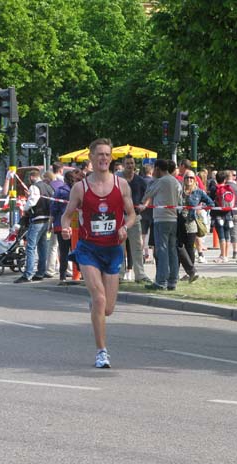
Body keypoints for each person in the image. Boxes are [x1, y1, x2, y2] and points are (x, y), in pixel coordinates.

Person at [60, 138, 136, 369]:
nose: (104, 158)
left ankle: (96, 309)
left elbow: (131, 214)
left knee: (108, 308)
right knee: (100, 298)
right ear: (91, 158)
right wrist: (65, 227)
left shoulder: (121, 185)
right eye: (99, 154)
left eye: (107, 154)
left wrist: (125, 227)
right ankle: (101, 352)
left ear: (111, 158)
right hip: (88, 249)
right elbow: (67, 214)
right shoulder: (79, 188)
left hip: (113, 249)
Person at [140, 159, 182, 290]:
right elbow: (180, 199)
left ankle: (161, 281)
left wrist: (151, 183)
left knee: (161, 250)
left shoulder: (160, 181)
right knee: (172, 249)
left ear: (158, 169)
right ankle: (173, 280)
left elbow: (147, 195)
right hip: (173, 218)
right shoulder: (176, 181)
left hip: (161, 218)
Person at [14, 169, 55, 283]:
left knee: (30, 247)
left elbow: (32, 201)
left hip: (37, 219)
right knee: (42, 247)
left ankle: (28, 274)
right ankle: (40, 272)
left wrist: (25, 207)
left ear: (32, 177)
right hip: (47, 219)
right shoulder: (49, 187)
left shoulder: (34, 187)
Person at [119, 155, 150, 283]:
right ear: (123, 164)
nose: (130, 165)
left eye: (132, 163)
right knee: (119, 247)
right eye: (127, 163)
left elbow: (149, 194)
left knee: (137, 247)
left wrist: (145, 205)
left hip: (135, 217)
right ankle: (119, 275)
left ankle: (140, 275)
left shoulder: (140, 180)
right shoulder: (117, 179)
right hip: (119, 217)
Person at [178, 171, 214, 282]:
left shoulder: (199, 192)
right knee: (179, 247)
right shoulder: (179, 191)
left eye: (191, 178)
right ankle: (178, 273)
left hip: (191, 223)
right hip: (179, 222)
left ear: (195, 180)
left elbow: (211, 203)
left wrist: (201, 208)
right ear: (183, 179)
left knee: (189, 247)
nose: (189, 180)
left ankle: (190, 272)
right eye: (187, 177)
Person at [50, 170, 78, 283]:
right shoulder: (77, 191)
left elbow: (53, 208)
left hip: (61, 225)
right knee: (76, 249)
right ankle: (78, 274)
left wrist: (50, 223)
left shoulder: (60, 191)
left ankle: (62, 277)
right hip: (76, 225)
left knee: (63, 251)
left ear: (64, 180)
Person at [45, 163, 66, 277]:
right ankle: (68, 269)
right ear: (61, 170)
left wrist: (50, 223)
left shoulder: (51, 185)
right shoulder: (64, 185)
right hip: (68, 222)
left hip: (57, 221)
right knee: (67, 247)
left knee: (53, 246)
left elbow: (53, 207)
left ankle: (50, 270)